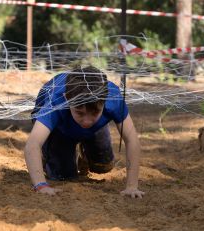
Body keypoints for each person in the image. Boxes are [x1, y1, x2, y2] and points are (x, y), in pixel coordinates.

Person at [24, 66, 144, 198]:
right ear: (66, 99)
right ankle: (48, 157)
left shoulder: (113, 97)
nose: (87, 121)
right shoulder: (55, 101)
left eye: (95, 112)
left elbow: (131, 139)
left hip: (96, 128)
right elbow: (33, 144)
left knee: (103, 165)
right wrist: (40, 185)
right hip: (58, 129)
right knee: (63, 176)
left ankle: (85, 153)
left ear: (104, 101)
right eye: (80, 113)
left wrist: (132, 187)